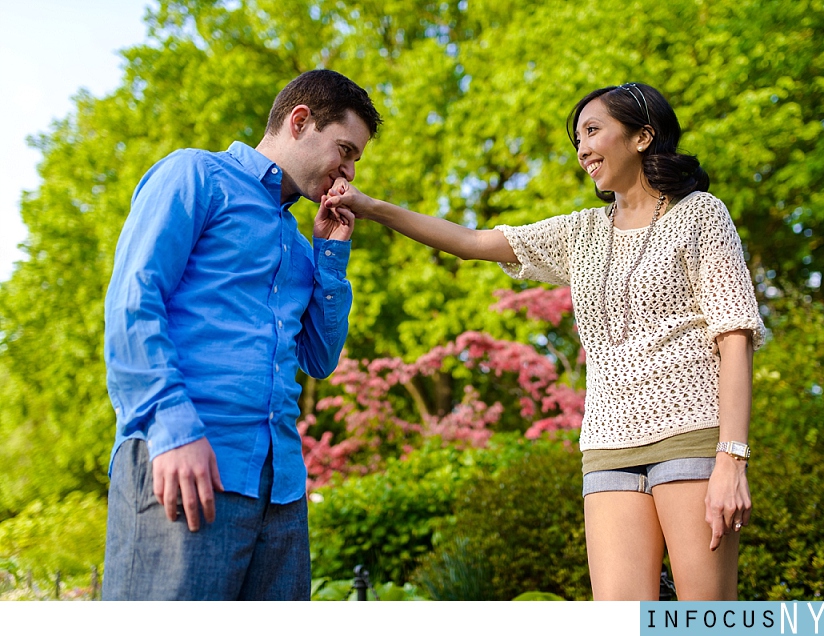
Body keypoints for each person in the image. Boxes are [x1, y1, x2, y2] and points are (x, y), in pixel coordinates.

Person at [324, 83, 764, 600]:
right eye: (576, 137)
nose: (581, 148)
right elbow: (471, 242)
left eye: (593, 130)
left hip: (691, 437)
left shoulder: (700, 214)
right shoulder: (582, 233)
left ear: (643, 136)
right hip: (608, 447)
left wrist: (732, 458)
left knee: (704, 622)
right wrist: (368, 206)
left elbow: (735, 335)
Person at [102, 69, 381, 600]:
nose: (347, 172)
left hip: (280, 492)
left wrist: (330, 255)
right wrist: (170, 424)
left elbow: (319, 358)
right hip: (186, 460)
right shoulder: (194, 176)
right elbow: (135, 300)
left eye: (355, 160)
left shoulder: (300, 246)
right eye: (344, 150)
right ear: (300, 121)